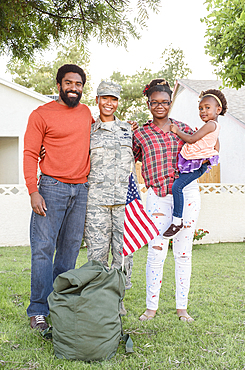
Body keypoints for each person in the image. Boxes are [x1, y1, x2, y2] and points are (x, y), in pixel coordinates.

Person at [23, 64, 94, 330]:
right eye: (69, 83)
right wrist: (33, 190)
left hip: (81, 189)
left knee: (69, 252)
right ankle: (38, 310)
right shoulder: (41, 114)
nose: (73, 88)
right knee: (43, 250)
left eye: (78, 84)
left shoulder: (87, 113)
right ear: (58, 86)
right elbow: (30, 152)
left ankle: (59, 306)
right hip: (51, 188)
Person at [133, 78, 201, 322]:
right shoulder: (139, 133)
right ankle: (151, 307)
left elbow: (209, 148)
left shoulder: (184, 129)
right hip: (158, 199)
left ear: (170, 103)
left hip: (187, 196)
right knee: (156, 252)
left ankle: (182, 308)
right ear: (148, 103)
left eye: (164, 102)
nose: (159, 106)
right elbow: (127, 157)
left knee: (183, 254)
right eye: (154, 102)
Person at [84, 81, 138, 315]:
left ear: (118, 102)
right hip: (96, 201)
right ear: (97, 100)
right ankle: (98, 299)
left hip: (124, 200)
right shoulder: (87, 131)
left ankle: (118, 299)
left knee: (124, 252)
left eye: (114, 99)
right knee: (97, 253)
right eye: (105, 97)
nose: (109, 103)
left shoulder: (128, 129)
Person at [163, 89, 227, 239]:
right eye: (200, 108)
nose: (203, 111)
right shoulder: (214, 128)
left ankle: (177, 221)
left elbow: (191, 139)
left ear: (218, 109)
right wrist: (209, 155)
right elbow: (216, 146)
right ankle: (178, 219)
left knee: (177, 186)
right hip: (200, 163)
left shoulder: (210, 125)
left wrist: (176, 130)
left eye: (207, 107)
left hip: (198, 164)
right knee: (178, 184)